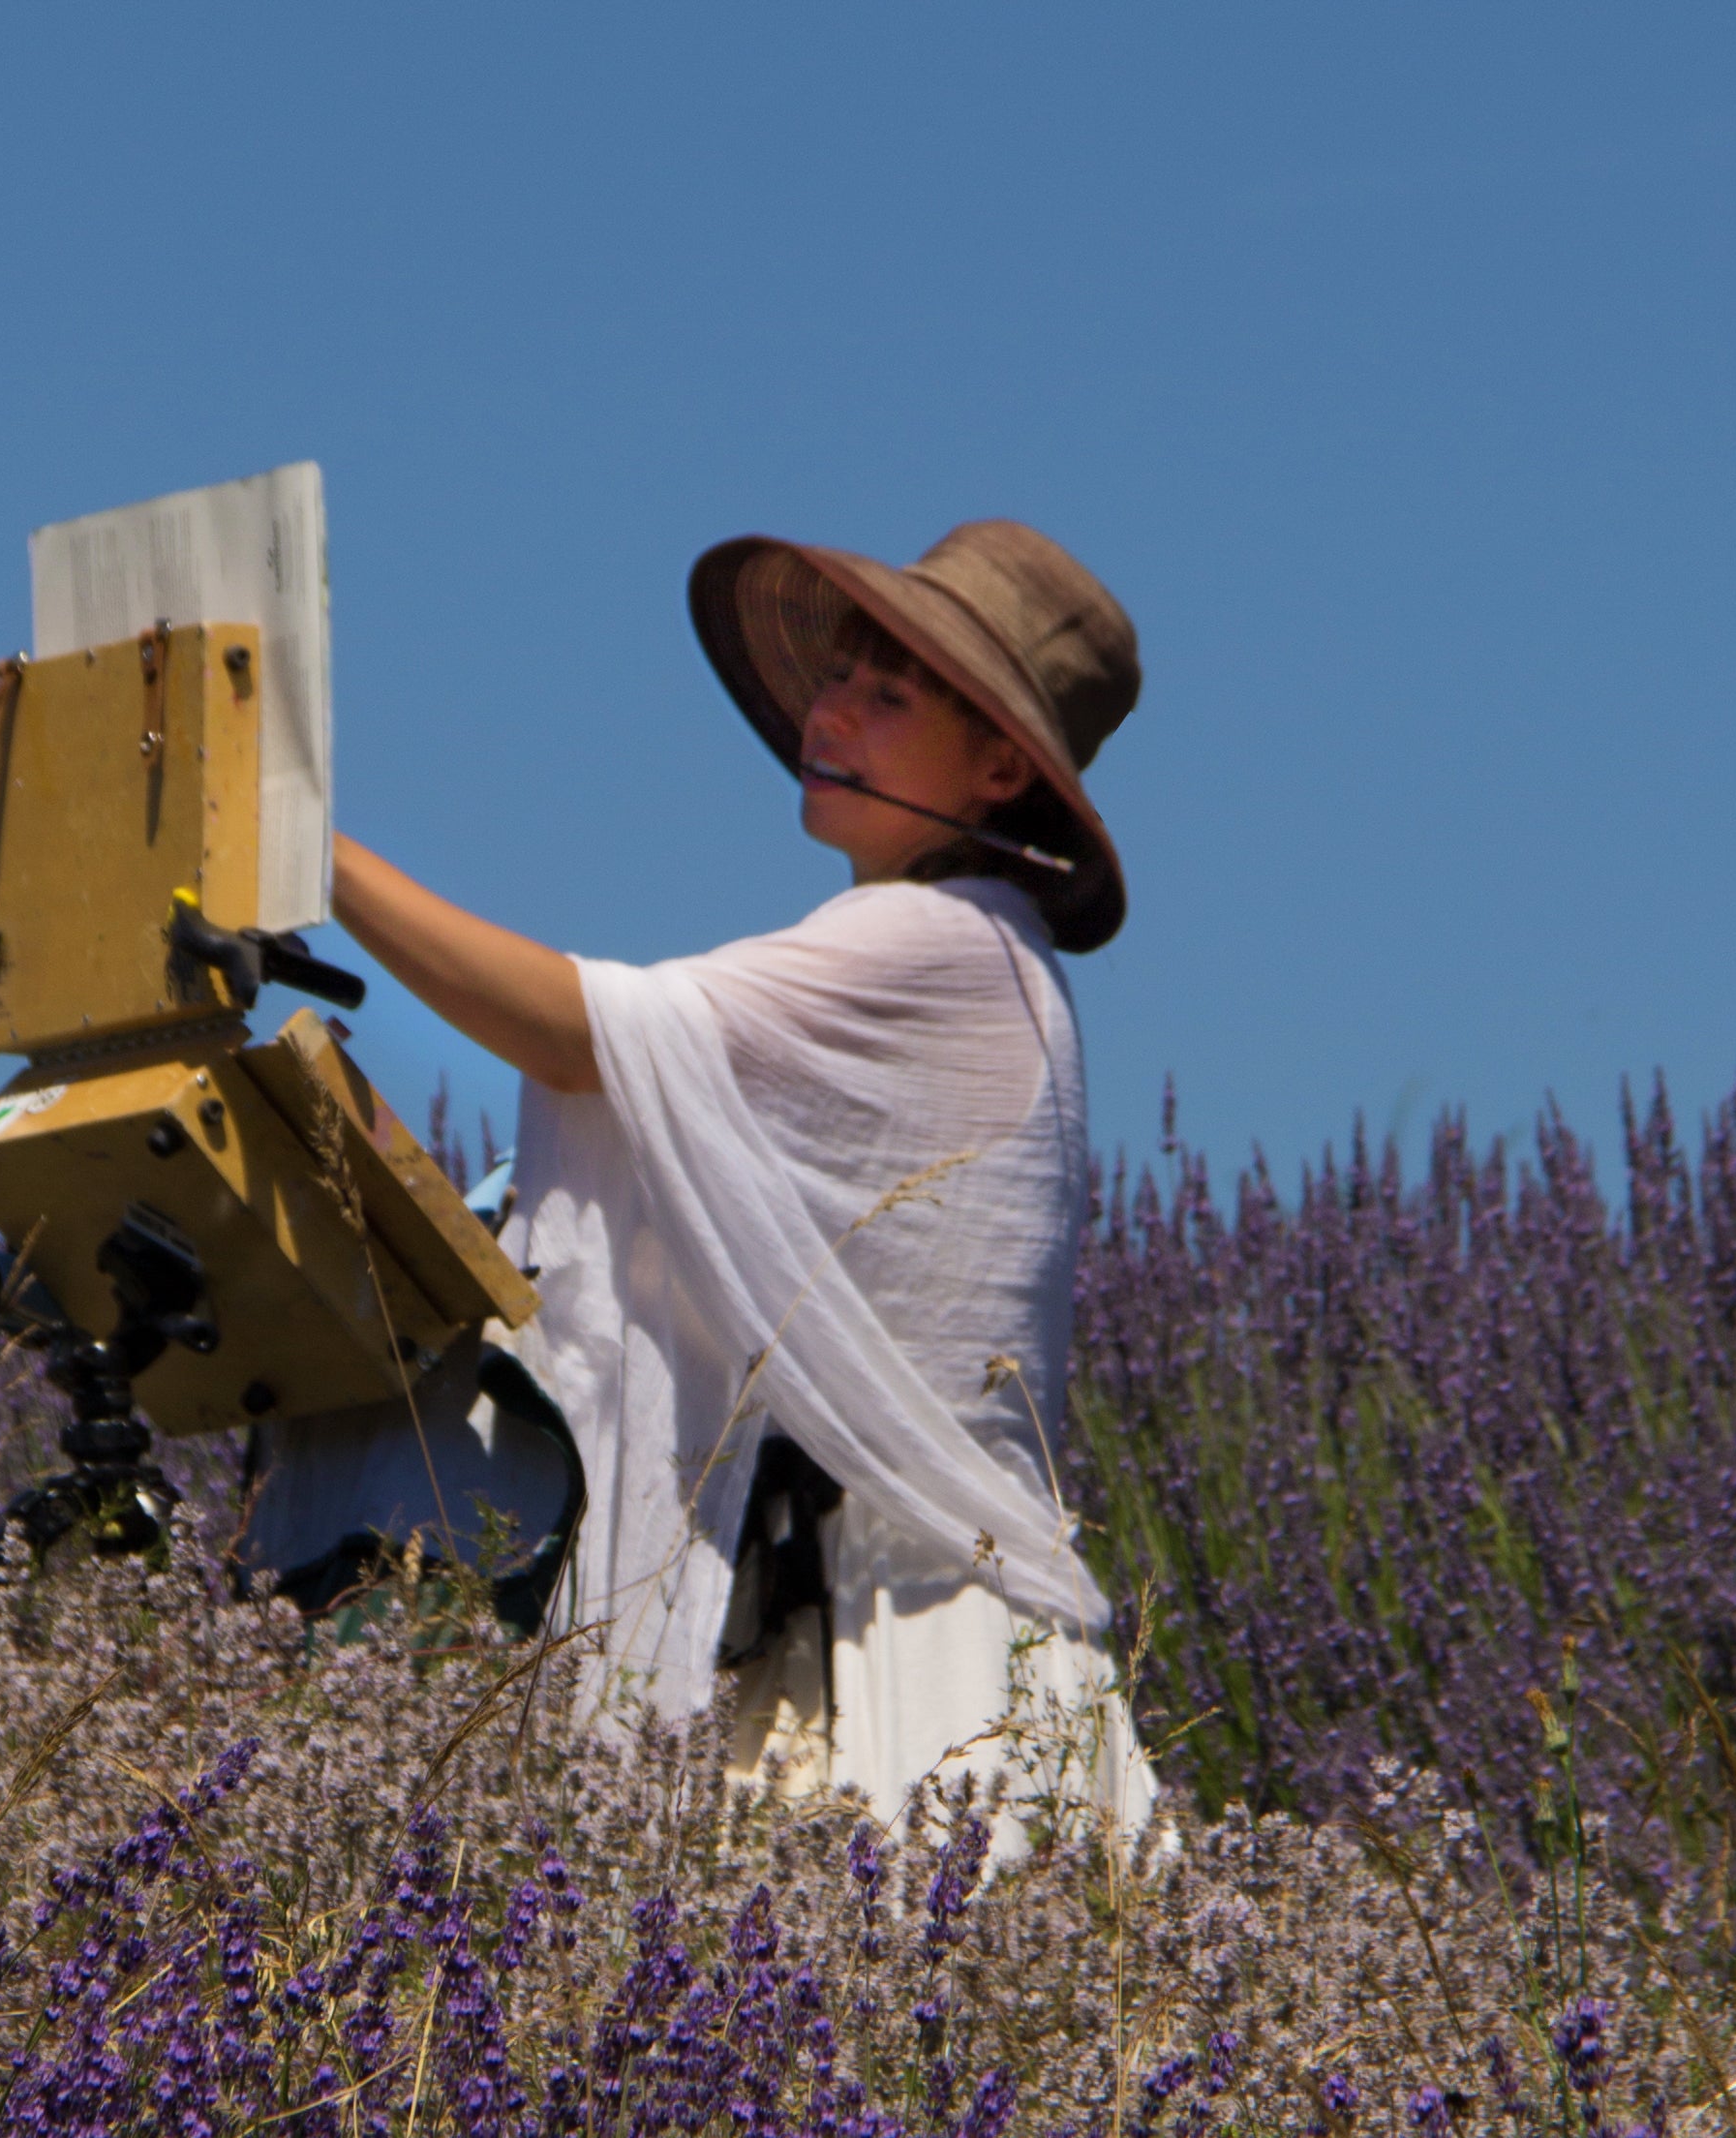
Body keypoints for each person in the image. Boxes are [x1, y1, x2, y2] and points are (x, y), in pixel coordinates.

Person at [325, 519, 1159, 1845]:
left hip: (909, 1675)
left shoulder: (939, 945)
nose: (832, 713)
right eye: (840, 679)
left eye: (888, 697)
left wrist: (306, 849)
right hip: (868, 1642)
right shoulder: (960, 958)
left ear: (1001, 763)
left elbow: (578, 1035)